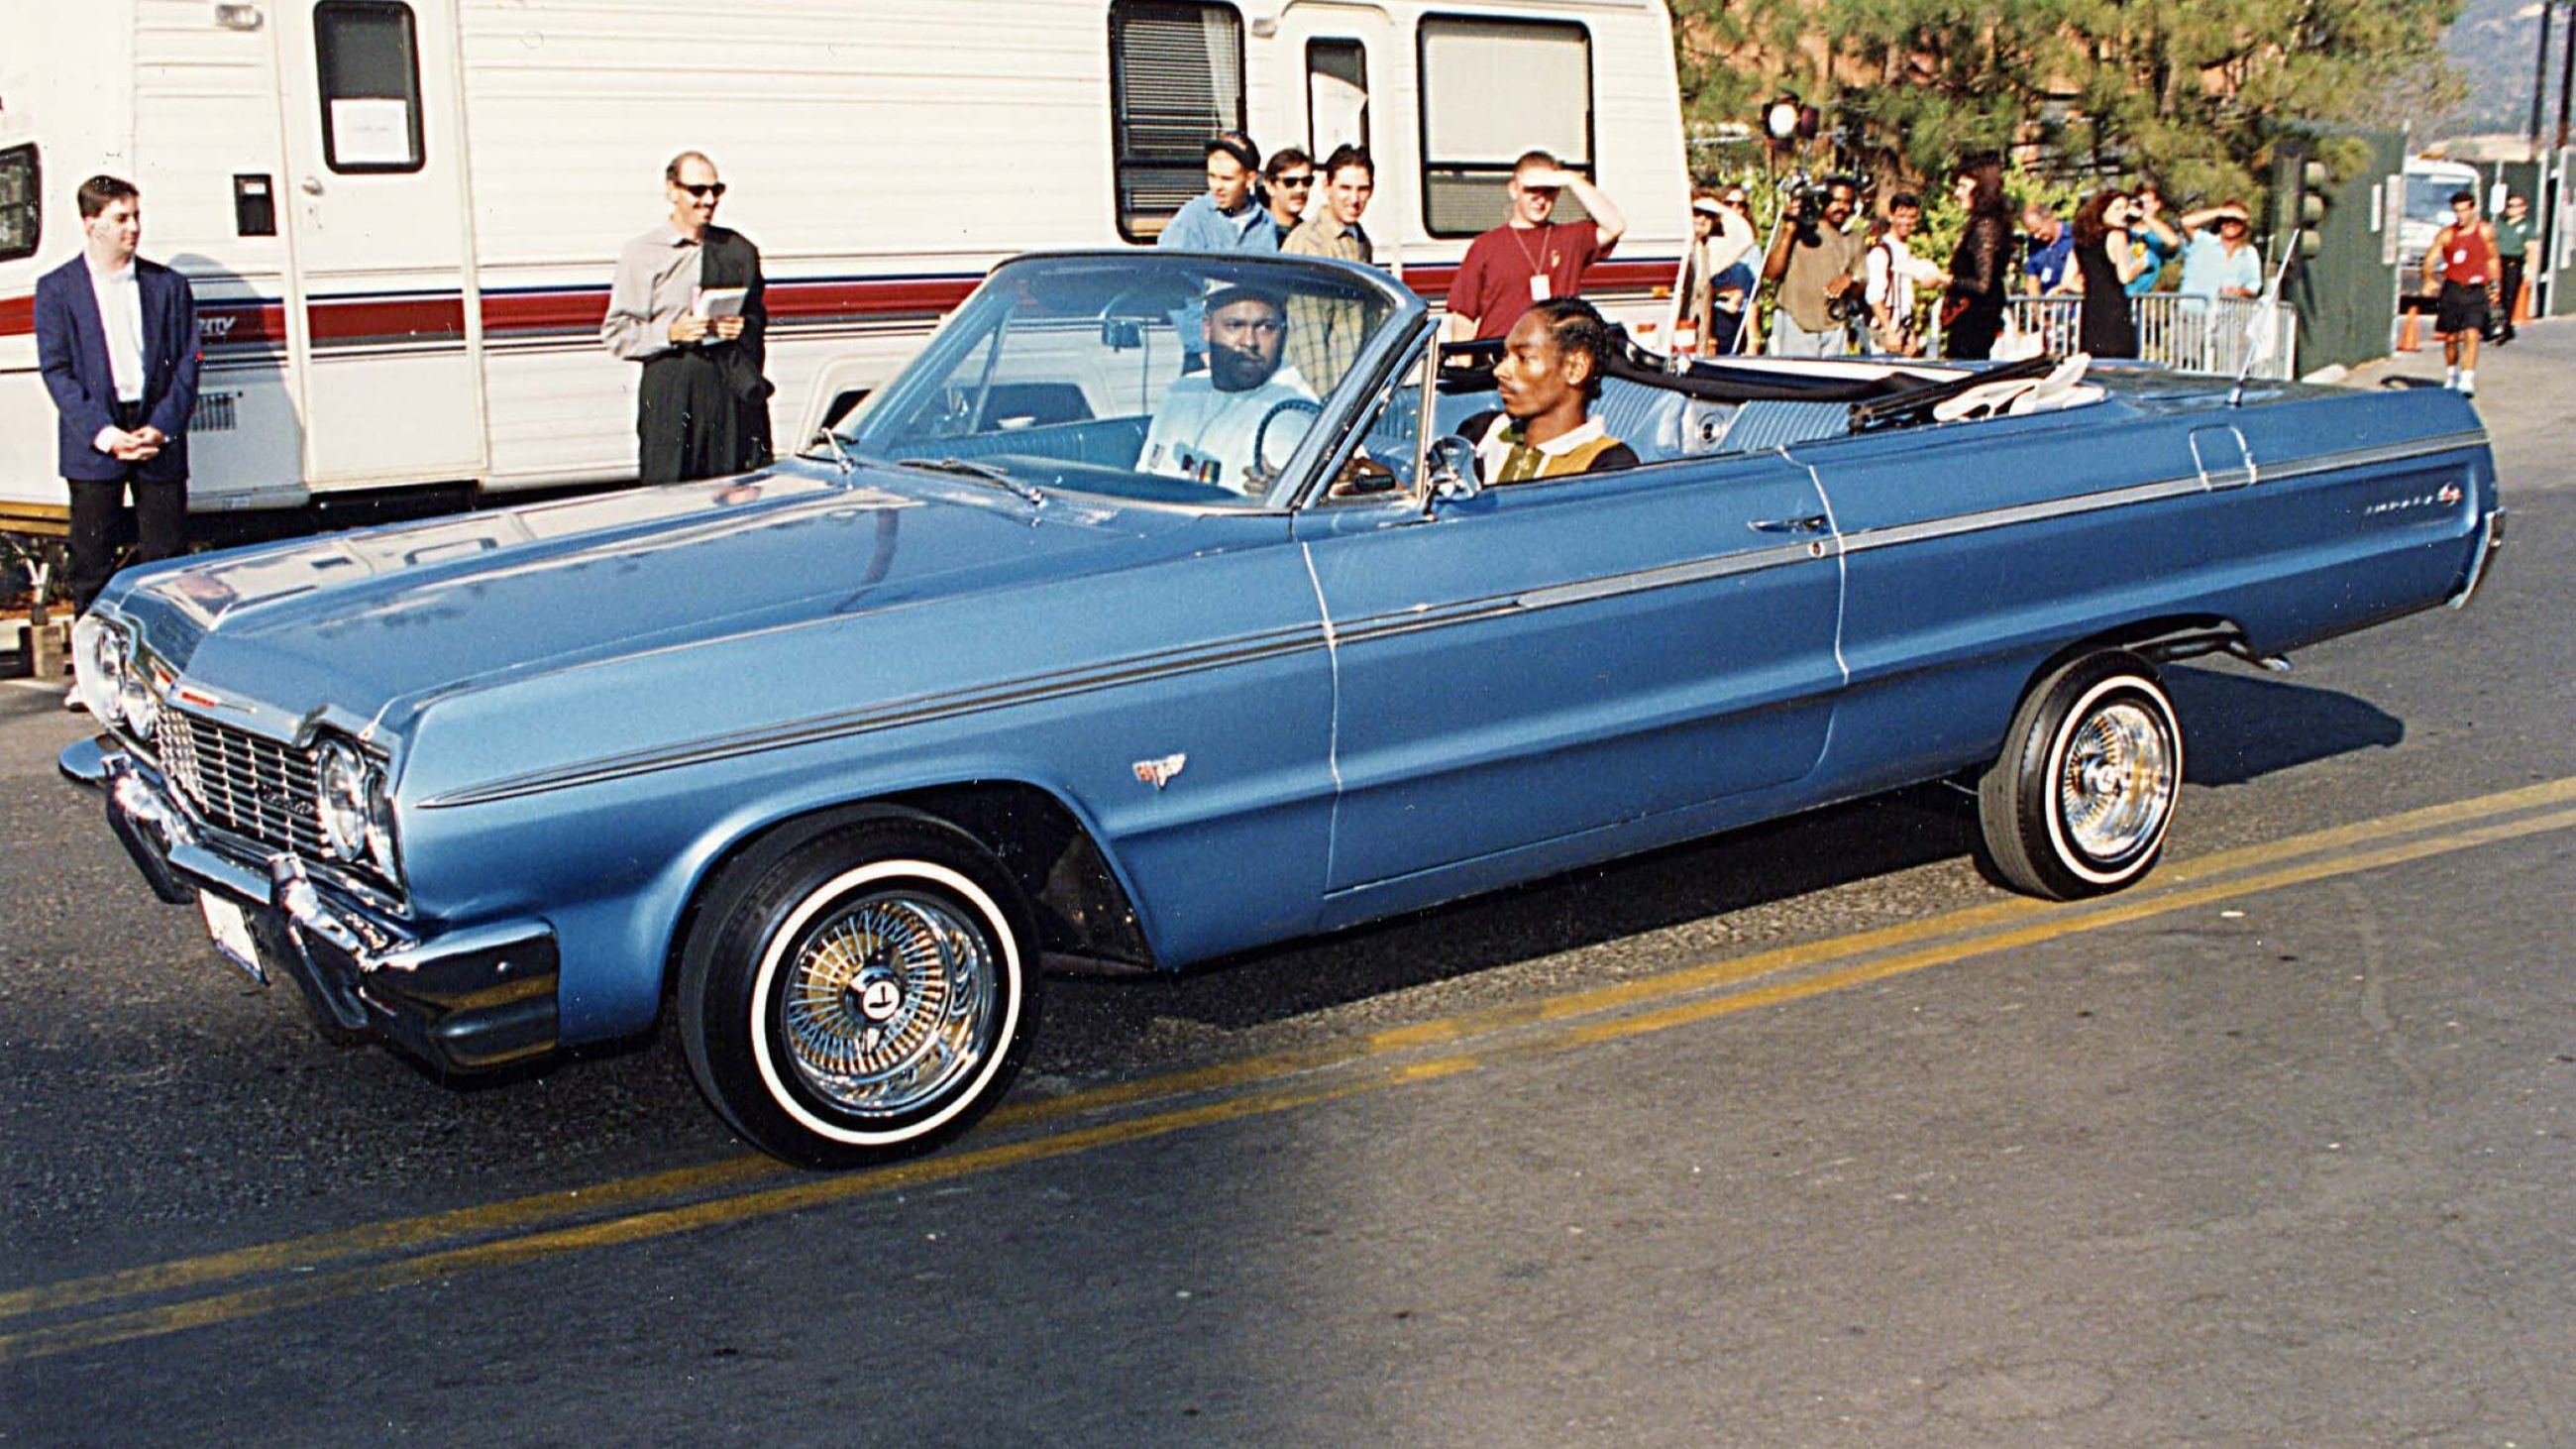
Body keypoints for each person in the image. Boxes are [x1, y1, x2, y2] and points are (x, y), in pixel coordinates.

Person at [35, 174, 200, 619]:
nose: (134, 227)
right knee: (92, 566)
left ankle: (164, 667)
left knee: (166, 564)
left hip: (155, 437)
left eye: (136, 216)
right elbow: (57, 371)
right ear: (91, 224)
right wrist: (105, 434)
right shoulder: (56, 289)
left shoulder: (168, 286)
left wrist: (162, 429)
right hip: (95, 440)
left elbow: (187, 363)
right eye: (121, 218)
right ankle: (92, 677)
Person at [602, 151, 773, 484]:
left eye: (716, 190)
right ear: (672, 191)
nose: (708, 200)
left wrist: (740, 328)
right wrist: (671, 333)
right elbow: (618, 333)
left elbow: (757, 320)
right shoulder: (643, 253)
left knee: (730, 491)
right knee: (668, 490)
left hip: (725, 386)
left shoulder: (738, 250)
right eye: (697, 191)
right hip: (671, 387)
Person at [1136, 285, 1317, 497]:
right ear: (1206, 328)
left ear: (1283, 334)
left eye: (1266, 327)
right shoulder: (1183, 391)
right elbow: (1144, 480)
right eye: (1234, 325)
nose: (1249, 341)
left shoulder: (1289, 413)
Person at [1445, 150, 1628, 342]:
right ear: (1514, 190)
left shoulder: (1571, 238)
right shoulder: (1485, 245)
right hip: (1501, 357)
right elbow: (1463, 315)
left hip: (1555, 358)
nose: (1541, 200)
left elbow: (1615, 225)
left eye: (1549, 190)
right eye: (1532, 190)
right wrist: (1463, 366)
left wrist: (1571, 178)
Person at [1457, 297, 1640, 483]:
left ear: (1575, 368)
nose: (1499, 370)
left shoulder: (1608, 466)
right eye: (1504, 356)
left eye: (1523, 358)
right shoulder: (1481, 434)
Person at [1281, 144, 1377, 390]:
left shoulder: (1360, 241)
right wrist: (1327, 408)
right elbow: (1308, 340)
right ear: (1327, 187)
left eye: (1362, 189)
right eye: (1345, 188)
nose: (1354, 199)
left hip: (1356, 387)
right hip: (1328, 396)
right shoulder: (1310, 245)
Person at [1761, 174, 1866, 357]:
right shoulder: (1800, 229)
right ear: (1823, 201)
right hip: (1795, 322)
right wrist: (1789, 231)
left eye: (1847, 202)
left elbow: (1862, 283)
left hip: (1834, 326)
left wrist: (1850, 281)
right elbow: (1771, 273)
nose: (1841, 207)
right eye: (1836, 200)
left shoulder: (1853, 239)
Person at [2423, 189, 2497, 396]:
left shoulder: (2484, 231)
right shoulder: (2447, 234)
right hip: (2454, 289)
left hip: (2476, 290)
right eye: (2457, 212)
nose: (2461, 216)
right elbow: (2431, 258)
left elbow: (2492, 258)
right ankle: (2452, 374)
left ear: (2472, 209)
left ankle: (2467, 378)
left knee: (2472, 334)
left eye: (2464, 211)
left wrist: (2494, 285)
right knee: (2451, 338)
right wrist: (2428, 278)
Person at [1940, 158, 2014, 361]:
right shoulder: (1980, 223)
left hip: (1976, 322)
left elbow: (1983, 283)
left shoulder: (1986, 226)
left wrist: (1944, 279)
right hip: (1972, 320)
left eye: (1963, 186)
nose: (1957, 193)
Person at [1156, 131, 1277, 253]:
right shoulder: (1193, 217)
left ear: (1250, 179)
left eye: (1227, 179)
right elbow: (1168, 264)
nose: (1217, 187)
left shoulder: (1265, 222)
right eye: (1212, 176)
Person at [1862, 191, 1947, 357]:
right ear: (1891, 216)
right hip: (1882, 336)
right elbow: (1874, 296)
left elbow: (1906, 297)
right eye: (1901, 216)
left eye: (1911, 217)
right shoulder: (1881, 251)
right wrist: (1889, 332)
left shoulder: (1904, 250)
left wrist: (1910, 334)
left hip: (1902, 333)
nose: (1906, 222)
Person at [1679, 189, 1759, 355]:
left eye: (1708, 214)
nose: (1702, 218)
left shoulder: (1708, 249)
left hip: (1702, 333)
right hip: (1682, 330)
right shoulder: (1681, 250)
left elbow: (1745, 236)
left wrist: (1715, 205)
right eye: (1696, 212)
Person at [2069, 187, 2141, 359]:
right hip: (2114, 310)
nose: (2123, 214)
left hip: (2091, 310)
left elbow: (2069, 280)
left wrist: (2092, 288)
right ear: (2102, 212)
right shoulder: (2117, 235)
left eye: (2125, 208)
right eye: (2118, 209)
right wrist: (2141, 265)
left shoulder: (2081, 242)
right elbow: (2124, 276)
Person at [2175, 202, 2261, 301]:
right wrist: (2221, 211)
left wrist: (2239, 291)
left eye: (2237, 221)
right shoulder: (2203, 241)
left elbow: (2254, 285)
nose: (2231, 224)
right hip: (2193, 312)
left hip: (2227, 313)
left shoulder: (2249, 252)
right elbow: (2185, 222)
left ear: (2244, 225)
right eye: (2227, 219)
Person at [1708, 186, 1760, 354]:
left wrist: (1753, 340)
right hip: (1713, 318)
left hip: (1739, 321)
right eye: (1729, 203)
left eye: (1741, 204)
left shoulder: (1751, 248)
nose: (1735, 209)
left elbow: (1752, 297)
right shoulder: (1708, 243)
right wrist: (1727, 293)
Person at [2123, 182, 2183, 295]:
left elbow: (2173, 242)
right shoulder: (2122, 232)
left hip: (2140, 298)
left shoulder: (2158, 236)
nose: (2144, 206)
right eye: (2140, 202)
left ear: (2158, 204)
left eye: (2148, 202)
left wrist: (2143, 215)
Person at [2493, 192, 2530, 345]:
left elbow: (2531, 248)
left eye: (2516, 206)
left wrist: (2529, 269)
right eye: (2509, 206)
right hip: (2498, 260)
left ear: (2523, 208)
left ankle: (2505, 327)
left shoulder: (2526, 226)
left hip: (2514, 261)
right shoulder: (2500, 224)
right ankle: (2497, 324)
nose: (2512, 209)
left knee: (2509, 295)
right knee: (2496, 295)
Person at [1259, 147, 1314, 244]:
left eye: (1307, 181)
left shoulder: (1313, 236)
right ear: (1270, 186)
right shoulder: (1254, 232)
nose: (1300, 190)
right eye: (1290, 182)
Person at [2020, 202, 2075, 295]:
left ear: (2050, 219)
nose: (2036, 236)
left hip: (2071, 303)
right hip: (2046, 304)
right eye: (2032, 233)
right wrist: (2036, 307)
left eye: (2038, 230)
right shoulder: (2034, 243)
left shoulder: (2074, 238)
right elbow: (2033, 279)